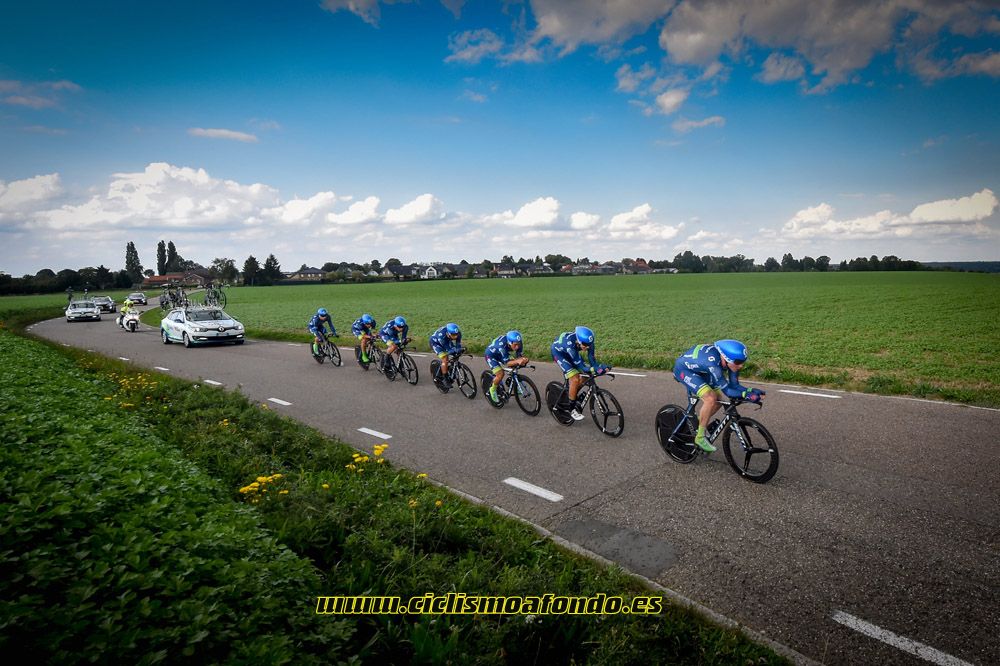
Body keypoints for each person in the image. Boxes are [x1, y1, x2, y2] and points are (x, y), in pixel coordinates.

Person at [673, 339, 765, 452]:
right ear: (726, 358)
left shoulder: (731, 362)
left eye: (742, 361)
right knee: (711, 399)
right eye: (738, 362)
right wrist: (747, 395)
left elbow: (735, 386)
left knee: (719, 400)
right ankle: (700, 437)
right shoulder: (713, 365)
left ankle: (698, 422)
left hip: (702, 370)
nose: (741, 366)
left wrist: (751, 390)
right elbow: (729, 392)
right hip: (684, 370)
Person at [550, 326, 610, 421]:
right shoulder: (570, 345)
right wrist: (596, 369)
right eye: (585, 345)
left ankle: (572, 393)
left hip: (571, 354)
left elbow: (592, 361)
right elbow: (582, 367)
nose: (587, 347)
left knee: (587, 377)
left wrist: (600, 367)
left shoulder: (588, 342)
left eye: (589, 345)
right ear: (578, 340)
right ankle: (572, 408)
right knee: (575, 378)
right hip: (559, 354)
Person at [484, 330, 529, 402]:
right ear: (509, 343)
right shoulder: (502, 346)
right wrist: (517, 361)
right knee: (500, 373)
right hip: (491, 356)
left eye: (518, 344)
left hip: (502, 354)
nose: (517, 347)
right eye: (515, 345)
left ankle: (514, 383)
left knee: (515, 364)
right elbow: (507, 363)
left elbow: (519, 355)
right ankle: (492, 389)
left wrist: (523, 359)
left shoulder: (517, 342)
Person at [429, 323, 464, 387]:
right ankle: (445, 378)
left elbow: (458, 344)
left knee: (456, 353)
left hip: (447, 340)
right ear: (448, 333)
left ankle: (450, 369)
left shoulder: (458, 333)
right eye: (453, 335)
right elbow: (447, 348)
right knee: (445, 358)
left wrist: (459, 349)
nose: (455, 336)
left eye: (456, 334)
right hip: (436, 343)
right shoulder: (441, 336)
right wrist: (452, 350)